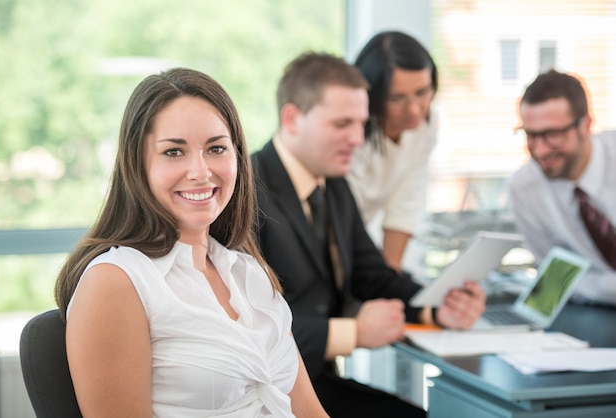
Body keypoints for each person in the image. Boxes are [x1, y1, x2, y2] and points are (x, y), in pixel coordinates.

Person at [54, 68, 329, 417]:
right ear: (138, 164)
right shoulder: (115, 282)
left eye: (216, 148)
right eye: (173, 152)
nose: (200, 171)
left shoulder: (248, 273)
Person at [252, 52, 485, 417]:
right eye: (342, 124)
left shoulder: (335, 187)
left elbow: (374, 276)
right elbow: (246, 325)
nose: (358, 139)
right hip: (267, 393)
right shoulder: (246, 192)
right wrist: (352, 333)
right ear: (292, 119)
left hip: (317, 381)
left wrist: (437, 308)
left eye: (361, 124)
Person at [508, 69, 616, 306]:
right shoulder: (524, 188)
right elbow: (554, 280)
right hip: (596, 310)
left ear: (586, 125)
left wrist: (590, 284)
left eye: (553, 134)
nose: (541, 150)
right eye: (531, 135)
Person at [346, 31, 439, 271]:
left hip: (360, 243)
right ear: (371, 95)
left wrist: (390, 281)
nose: (414, 110)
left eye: (422, 92)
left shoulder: (427, 125)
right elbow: (342, 216)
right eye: (397, 98)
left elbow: (405, 203)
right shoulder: (352, 134)